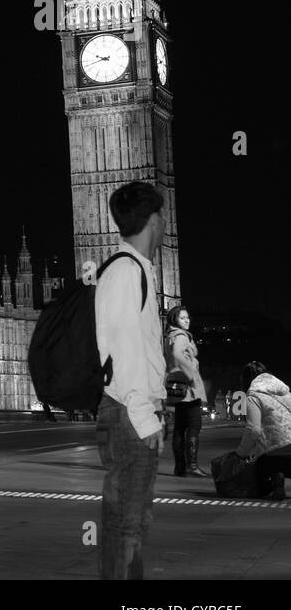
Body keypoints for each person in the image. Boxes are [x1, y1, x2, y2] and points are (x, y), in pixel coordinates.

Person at [95, 181, 167, 580]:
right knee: (129, 526)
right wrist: (145, 418)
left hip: (126, 413)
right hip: (129, 415)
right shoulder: (126, 273)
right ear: (154, 220)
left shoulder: (130, 270)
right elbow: (124, 351)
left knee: (123, 521)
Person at [235, 361, 291, 500]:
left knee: (259, 472)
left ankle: (274, 479)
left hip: (273, 453)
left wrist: (240, 454)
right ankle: (279, 473)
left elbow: (253, 430)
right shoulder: (285, 392)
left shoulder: (254, 396)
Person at [165, 305, 206, 477]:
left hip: (177, 388)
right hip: (188, 389)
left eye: (187, 317)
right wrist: (191, 375)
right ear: (175, 320)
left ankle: (180, 467)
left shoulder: (170, 335)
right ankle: (193, 466)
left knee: (180, 428)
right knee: (195, 426)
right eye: (182, 318)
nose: (187, 320)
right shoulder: (181, 336)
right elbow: (177, 355)